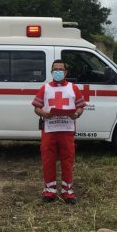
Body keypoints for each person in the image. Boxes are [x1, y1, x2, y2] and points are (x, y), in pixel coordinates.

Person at [32, 59, 86, 204]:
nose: (58, 72)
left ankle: (68, 191)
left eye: (61, 69)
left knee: (67, 160)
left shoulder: (73, 88)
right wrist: (43, 113)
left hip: (67, 131)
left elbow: (80, 106)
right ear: (51, 72)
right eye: (55, 69)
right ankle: (49, 191)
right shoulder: (45, 88)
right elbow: (36, 107)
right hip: (49, 130)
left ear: (66, 72)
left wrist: (77, 114)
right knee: (48, 160)